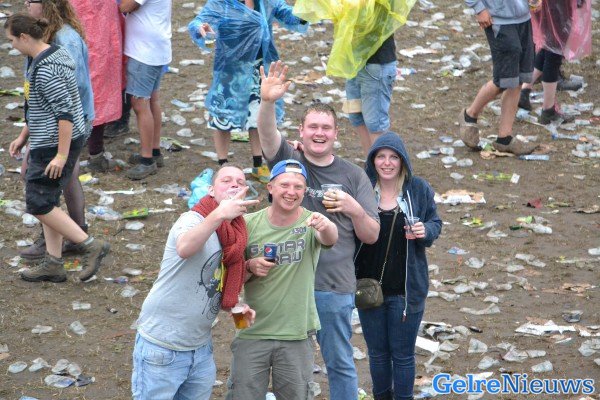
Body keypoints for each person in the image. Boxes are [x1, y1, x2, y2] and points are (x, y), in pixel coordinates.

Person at [257, 61, 380, 400]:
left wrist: (353, 208)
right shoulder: (289, 162)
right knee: (289, 365)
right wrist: (267, 102)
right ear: (301, 131)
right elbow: (267, 136)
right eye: (313, 126)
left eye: (326, 127)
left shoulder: (354, 175)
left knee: (339, 362)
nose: (319, 133)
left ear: (336, 133)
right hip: (287, 283)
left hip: (333, 286)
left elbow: (371, 235)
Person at [132, 165, 259, 399]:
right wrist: (219, 214)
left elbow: (215, 279)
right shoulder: (192, 219)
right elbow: (184, 248)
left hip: (200, 347)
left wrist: (235, 305)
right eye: (226, 180)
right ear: (211, 190)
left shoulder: (236, 233)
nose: (234, 184)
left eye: (240, 182)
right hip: (163, 345)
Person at [6, 14, 110, 283]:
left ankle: (90, 244)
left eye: (12, 40)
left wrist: (61, 156)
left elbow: (64, 114)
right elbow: (40, 106)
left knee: (38, 203)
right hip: (51, 139)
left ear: (24, 37)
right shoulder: (54, 54)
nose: (11, 46)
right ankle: (53, 263)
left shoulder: (46, 69)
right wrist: (24, 135)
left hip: (53, 143)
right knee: (48, 201)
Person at [226, 159, 338, 399]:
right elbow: (229, 279)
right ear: (270, 187)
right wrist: (249, 266)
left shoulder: (312, 221)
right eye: (284, 185)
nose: (291, 192)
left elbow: (330, 238)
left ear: (305, 191)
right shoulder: (248, 223)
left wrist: (326, 225)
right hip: (250, 330)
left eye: (298, 187)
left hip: (296, 332)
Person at [357, 132, 442, 400]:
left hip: (406, 291)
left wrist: (425, 231)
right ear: (372, 160)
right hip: (368, 287)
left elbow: (435, 223)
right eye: (381, 156)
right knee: (377, 354)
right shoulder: (362, 189)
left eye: (393, 157)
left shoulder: (418, 189)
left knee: (403, 355)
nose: (387, 163)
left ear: (403, 161)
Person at [188, 0, 307, 183]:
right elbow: (199, 21)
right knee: (222, 116)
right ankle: (223, 165)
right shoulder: (222, 2)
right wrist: (200, 28)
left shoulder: (265, 2)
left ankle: (258, 164)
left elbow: (287, 14)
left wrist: (308, 11)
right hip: (230, 69)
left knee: (259, 114)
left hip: (259, 68)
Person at [18, 0, 94, 261]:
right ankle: (69, 238)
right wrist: (27, 130)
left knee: (42, 178)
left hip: (63, 125)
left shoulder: (65, 40)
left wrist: (60, 146)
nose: (26, 4)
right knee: (63, 178)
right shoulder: (43, 33)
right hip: (48, 124)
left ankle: (75, 237)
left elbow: (71, 94)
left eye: (31, 1)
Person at [292, 0, 415, 155]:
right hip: (355, 64)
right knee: (357, 117)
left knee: (375, 124)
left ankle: (381, 167)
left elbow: (358, 9)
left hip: (376, 65)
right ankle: (370, 165)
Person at [459, 0, 538, 156]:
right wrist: (479, 8)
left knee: (517, 78)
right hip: (498, 19)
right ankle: (470, 114)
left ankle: (504, 138)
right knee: (504, 79)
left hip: (523, 17)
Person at [120, 0, 172, 180]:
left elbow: (125, 7)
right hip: (155, 47)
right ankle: (154, 151)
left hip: (144, 52)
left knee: (140, 104)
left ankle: (147, 160)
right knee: (152, 101)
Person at [518, 0, 591, 125]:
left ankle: (524, 91)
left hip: (541, 5)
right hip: (556, 5)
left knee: (548, 46)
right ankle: (548, 110)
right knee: (554, 52)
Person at [71, 0, 123, 171]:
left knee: (87, 91)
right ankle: (94, 152)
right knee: (96, 92)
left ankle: (90, 150)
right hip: (99, 37)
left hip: (86, 33)